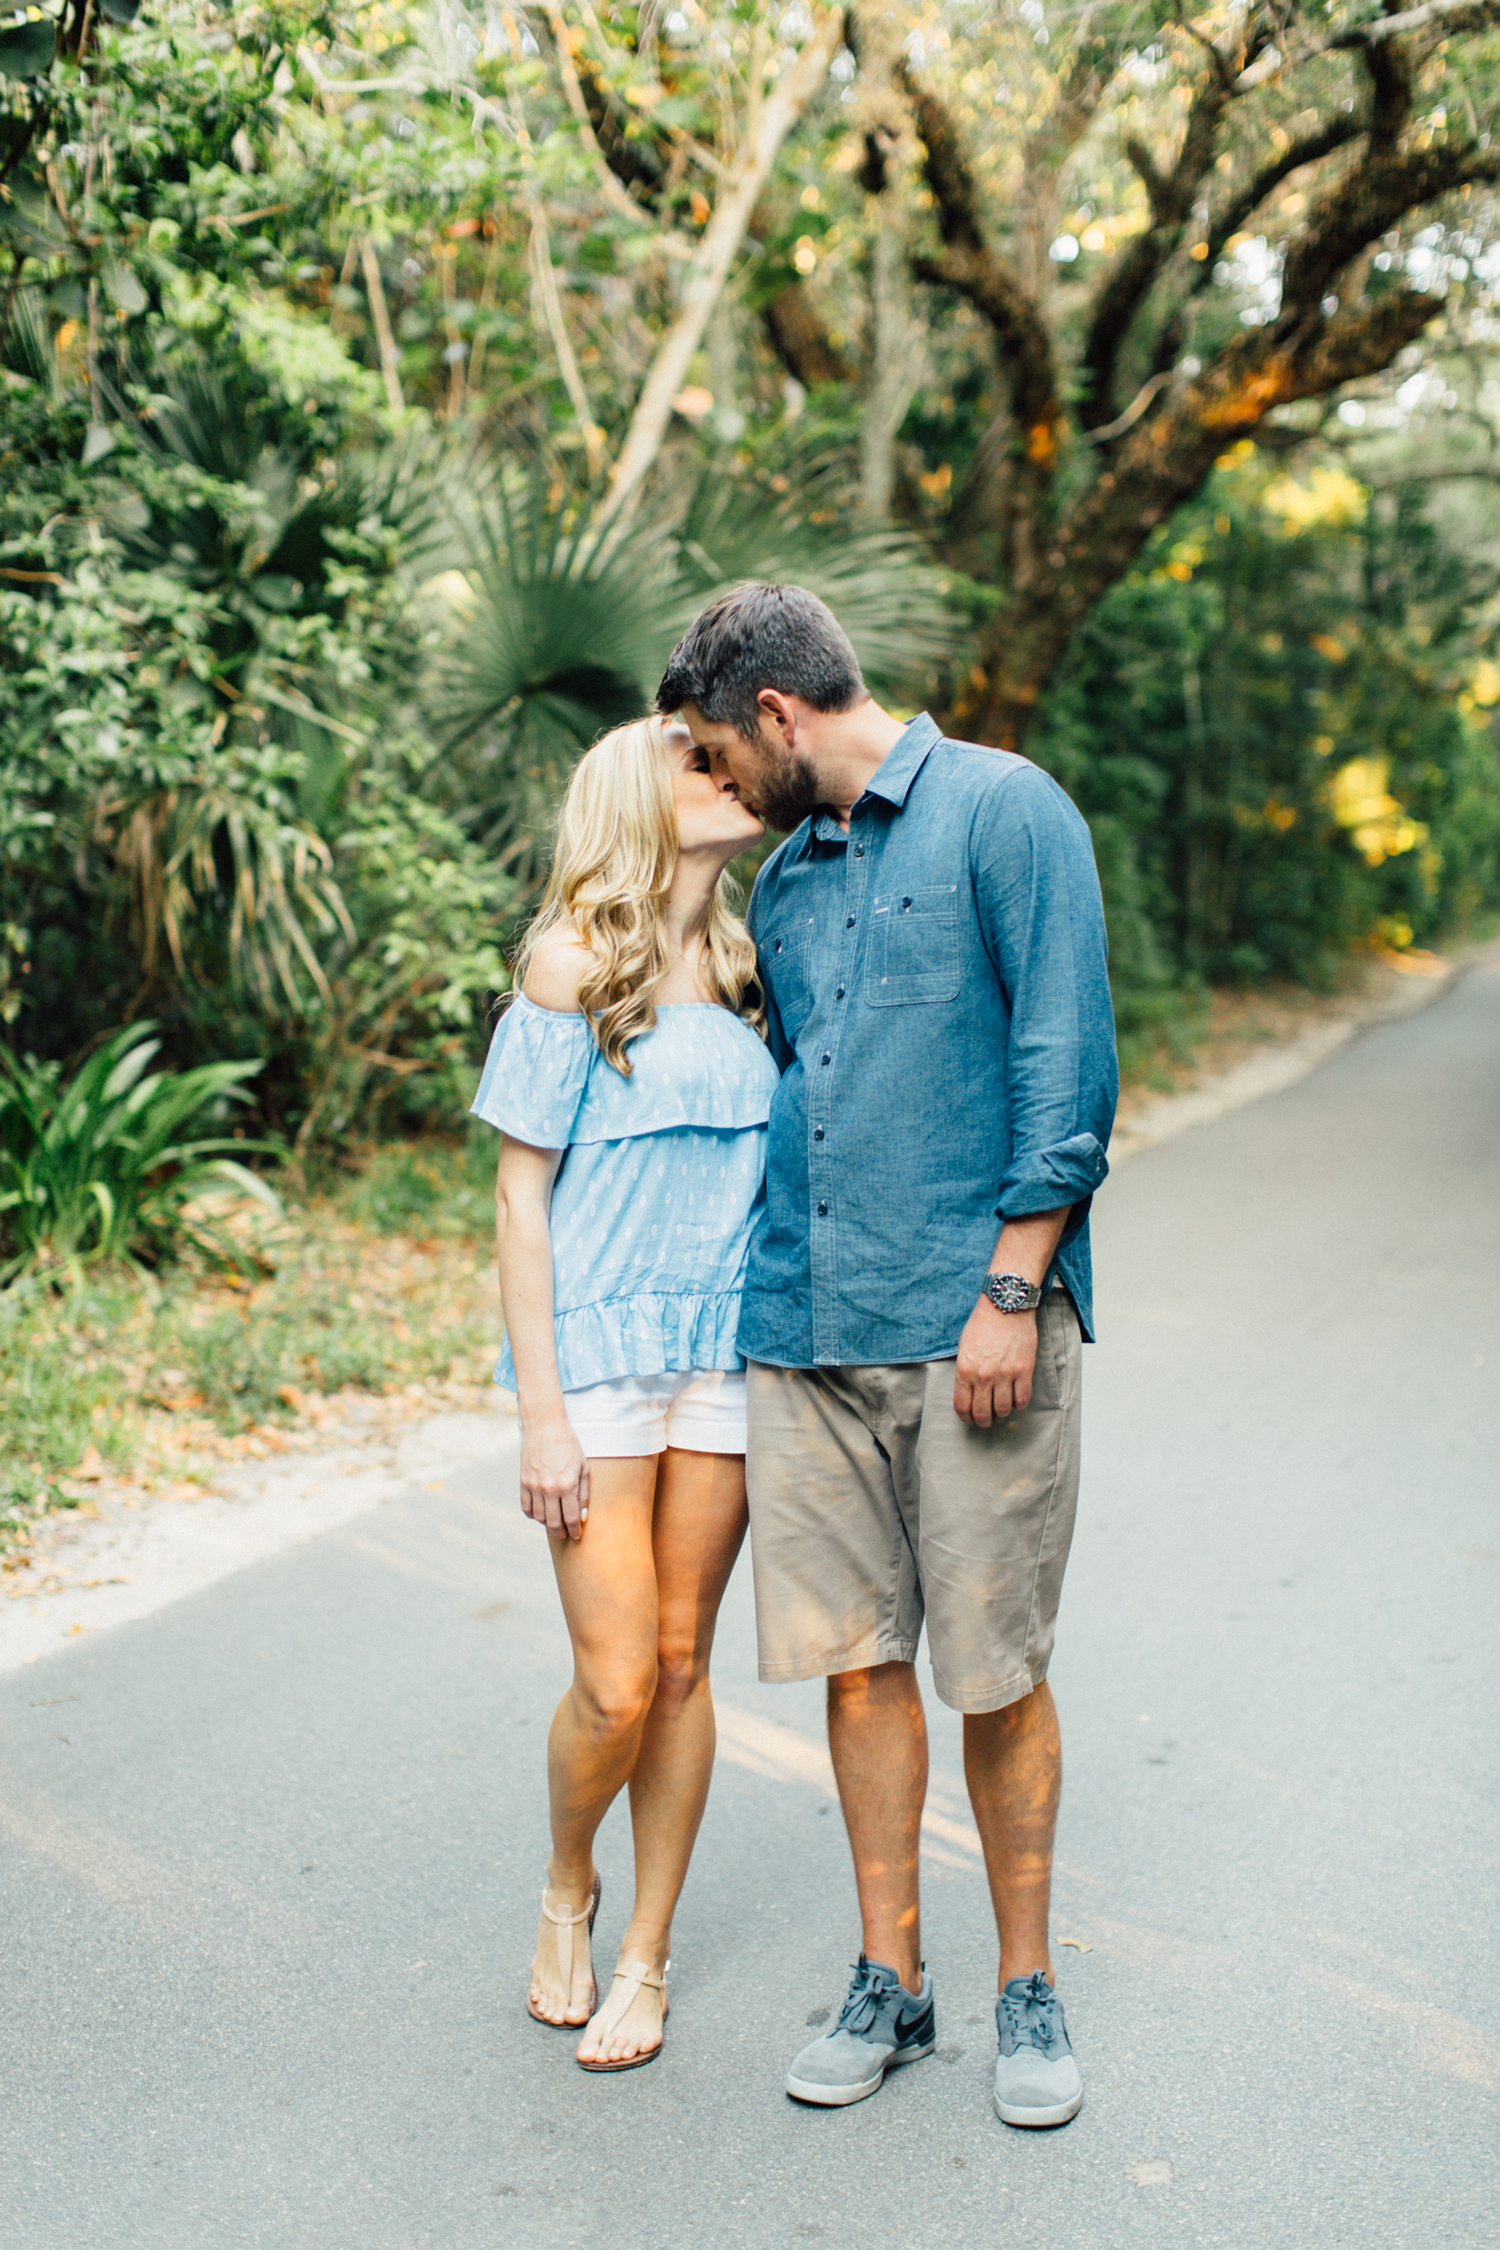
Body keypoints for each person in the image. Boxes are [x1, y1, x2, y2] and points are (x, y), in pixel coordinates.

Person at [656, 584, 1117, 2127]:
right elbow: (797, 1084)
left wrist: (1012, 1285)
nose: (720, 779)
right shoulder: (785, 881)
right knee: (862, 1667)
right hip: (805, 1327)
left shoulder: (1006, 810)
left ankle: (1027, 1985)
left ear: (778, 715)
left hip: (969, 1323)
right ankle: (890, 1981)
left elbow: (1067, 1061)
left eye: (722, 751)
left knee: (995, 1669)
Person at [471, 713, 774, 2071]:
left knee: (686, 1657)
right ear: (634, 797)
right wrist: (541, 1409)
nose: (727, 769)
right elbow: (520, 1196)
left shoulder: (754, 964)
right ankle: (565, 1879)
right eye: (694, 758)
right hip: (596, 1352)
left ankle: (644, 1954)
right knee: (616, 1677)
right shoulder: (570, 962)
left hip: (727, 1350)